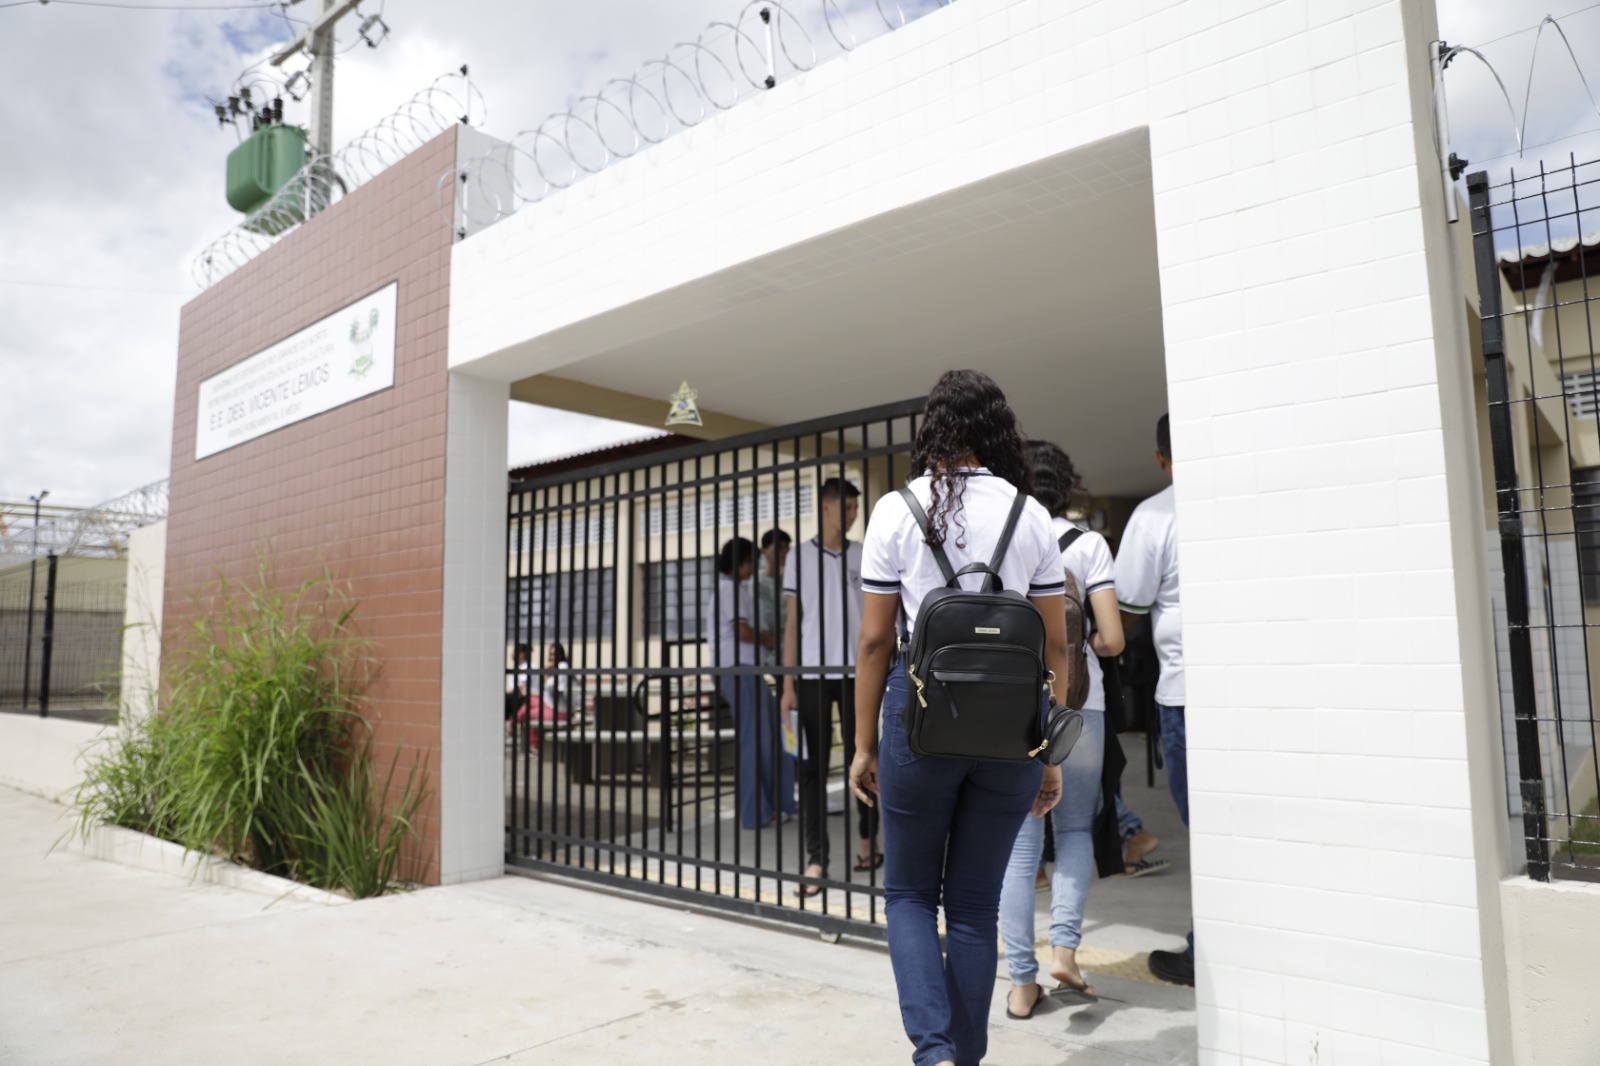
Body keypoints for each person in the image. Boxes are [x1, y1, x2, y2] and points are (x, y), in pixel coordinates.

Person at [850, 369, 1071, 1066]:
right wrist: (1050, 752)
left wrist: (862, 746)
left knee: (910, 895)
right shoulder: (1030, 515)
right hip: (1013, 729)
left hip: (918, 720)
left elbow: (875, 642)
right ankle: (963, 1058)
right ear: (997, 429)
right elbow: (1056, 646)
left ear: (934, 429)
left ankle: (935, 1054)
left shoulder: (896, 510)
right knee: (974, 906)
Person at [997, 440, 1164, 1018]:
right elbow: (1113, 640)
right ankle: (1065, 951)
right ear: (1066, 486)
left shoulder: (1004, 542)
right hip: (1080, 707)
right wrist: (1085, 641)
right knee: (1073, 831)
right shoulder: (1088, 543)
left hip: (1017, 708)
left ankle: (1022, 983)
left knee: (1020, 844)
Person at [1116, 413, 1192, 987]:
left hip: (1186, 695)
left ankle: (1209, 948)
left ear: (1160, 458)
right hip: (1256, 690)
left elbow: (1127, 611)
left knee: (1206, 826)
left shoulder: (1154, 516)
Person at [780, 478, 880, 897]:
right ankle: (816, 858)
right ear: (826, 506)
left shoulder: (863, 554)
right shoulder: (799, 557)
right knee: (812, 769)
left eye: (857, 508)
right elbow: (792, 624)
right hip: (812, 675)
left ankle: (868, 843)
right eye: (848, 507)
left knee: (865, 759)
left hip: (859, 674)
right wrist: (788, 683)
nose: (853, 515)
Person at [708, 536, 798, 830]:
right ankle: (755, 811)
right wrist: (769, 639)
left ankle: (776, 804)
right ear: (740, 562)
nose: (753, 567)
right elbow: (743, 631)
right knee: (754, 740)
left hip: (747, 671)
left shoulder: (735, 589)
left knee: (770, 735)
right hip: (739, 671)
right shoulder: (729, 590)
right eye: (750, 562)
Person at [756, 529, 791, 666]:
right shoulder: (757, 583)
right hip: (772, 657)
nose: (784, 552)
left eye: (787, 547)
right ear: (765, 551)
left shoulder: (791, 579)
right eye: (779, 547)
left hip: (798, 653)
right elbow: (767, 619)